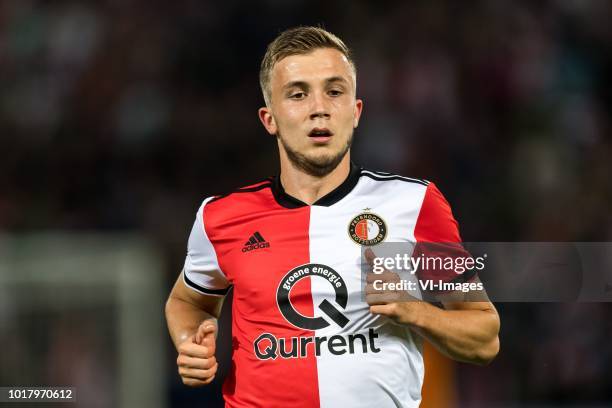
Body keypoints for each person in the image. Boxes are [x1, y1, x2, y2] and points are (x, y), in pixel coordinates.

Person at [165, 26, 500, 407]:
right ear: (269, 118)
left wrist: (417, 311)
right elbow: (187, 301)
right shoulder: (221, 218)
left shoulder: (413, 203)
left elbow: (484, 336)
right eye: (297, 94)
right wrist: (189, 341)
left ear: (355, 111)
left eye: (335, 91)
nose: (319, 107)